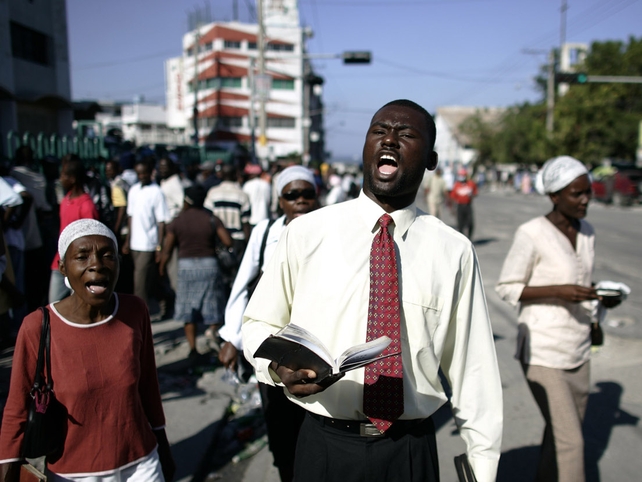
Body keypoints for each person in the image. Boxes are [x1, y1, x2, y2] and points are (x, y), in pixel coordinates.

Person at [241, 99, 502, 482]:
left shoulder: (453, 251)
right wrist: (277, 368)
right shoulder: (307, 233)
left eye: (406, 134)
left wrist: (482, 470)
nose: (390, 140)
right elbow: (258, 322)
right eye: (379, 131)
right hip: (324, 445)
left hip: (410, 452)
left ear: (430, 160)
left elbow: (474, 372)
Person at [0, 218, 175, 481]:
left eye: (107, 255)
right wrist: (9, 469)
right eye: (82, 256)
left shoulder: (134, 310)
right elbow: (17, 407)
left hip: (142, 464)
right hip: (73, 473)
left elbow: (148, 386)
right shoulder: (38, 326)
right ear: (62, 267)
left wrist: (163, 447)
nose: (97, 264)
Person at [495, 155, 617, 482]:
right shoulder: (532, 233)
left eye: (588, 192)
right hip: (542, 350)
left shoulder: (587, 231)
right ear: (554, 196)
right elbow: (507, 287)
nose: (586, 199)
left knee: (561, 432)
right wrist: (559, 291)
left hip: (578, 347)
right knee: (572, 441)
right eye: (577, 194)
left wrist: (599, 296)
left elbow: (582, 278)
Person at [219, 165, 318, 482]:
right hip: (274, 349)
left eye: (307, 194)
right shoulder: (264, 233)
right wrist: (232, 338)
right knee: (280, 426)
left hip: (317, 345)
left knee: (315, 425)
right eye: (292, 195)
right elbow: (242, 283)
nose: (300, 201)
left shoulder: (328, 230)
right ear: (280, 200)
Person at [159, 185, 232, 361]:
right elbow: (228, 241)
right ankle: (212, 336)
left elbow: (167, 249)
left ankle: (193, 348)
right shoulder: (211, 218)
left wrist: (161, 267)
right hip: (210, 265)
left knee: (188, 309)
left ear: (187, 201)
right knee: (213, 306)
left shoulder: (178, 221)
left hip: (186, 267)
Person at [49, 155, 99, 303]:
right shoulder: (66, 200)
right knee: (54, 303)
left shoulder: (86, 206)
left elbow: (92, 239)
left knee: (79, 304)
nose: (60, 179)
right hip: (60, 261)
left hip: (79, 265)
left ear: (72, 179)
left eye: (63, 175)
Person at [122, 158, 169, 313]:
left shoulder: (157, 192)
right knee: (150, 280)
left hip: (149, 244)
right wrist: (127, 241)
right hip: (135, 243)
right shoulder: (134, 190)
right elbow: (131, 216)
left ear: (150, 173)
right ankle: (165, 300)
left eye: (144, 173)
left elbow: (162, 221)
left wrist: (159, 246)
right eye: (139, 173)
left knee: (140, 282)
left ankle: (140, 315)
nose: (141, 176)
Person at [450, 167, 477, 239]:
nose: (461, 177)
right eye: (460, 175)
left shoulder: (471, 184)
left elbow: (475, 193)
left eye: (463, 175)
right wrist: (452, 208)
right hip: (460, 206)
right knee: (460, 224)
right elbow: (452, 196)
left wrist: (471, 195)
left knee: (470, 223)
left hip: (468, 206)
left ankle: (469, 238)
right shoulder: (456, 185)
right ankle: (462, 239)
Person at [242, 163, 271, 228]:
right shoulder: (266, 184)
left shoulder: (247, 185)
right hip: (265, 217)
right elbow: (269, 201)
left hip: (252, 219)